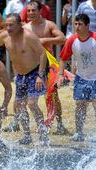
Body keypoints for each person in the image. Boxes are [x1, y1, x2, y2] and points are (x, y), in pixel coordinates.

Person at [0, 13, 48, 145]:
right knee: (19, 106)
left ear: (19, 25)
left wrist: (40, 76)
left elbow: (42, 54)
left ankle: (43, 134)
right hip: (20, 75)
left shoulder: (28, 36)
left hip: (35, 73)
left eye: (11, 25)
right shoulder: (4, 36)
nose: (8, 28)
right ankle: (27, 135)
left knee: (32, 104)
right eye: (6, 25)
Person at [57, 14, 96, 142]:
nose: (77, 27)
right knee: (80, 105)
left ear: (87, 26)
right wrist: (61, 75)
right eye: (75, 24)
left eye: (80, 24)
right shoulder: (72, 40)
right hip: (81, 77)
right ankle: (79, 133)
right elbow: (63, 58)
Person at [23, 0, 68, 135]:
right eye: (28, 10)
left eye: (33, 10)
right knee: (28, 98)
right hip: (31, 66)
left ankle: (59, 124)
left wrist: (45, 41)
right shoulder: (25, 28)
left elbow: (62, 38)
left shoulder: (48, 25)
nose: (30, 13)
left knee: (53, 95)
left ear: (40, 11)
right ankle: (39, 124)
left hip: (48, 65)